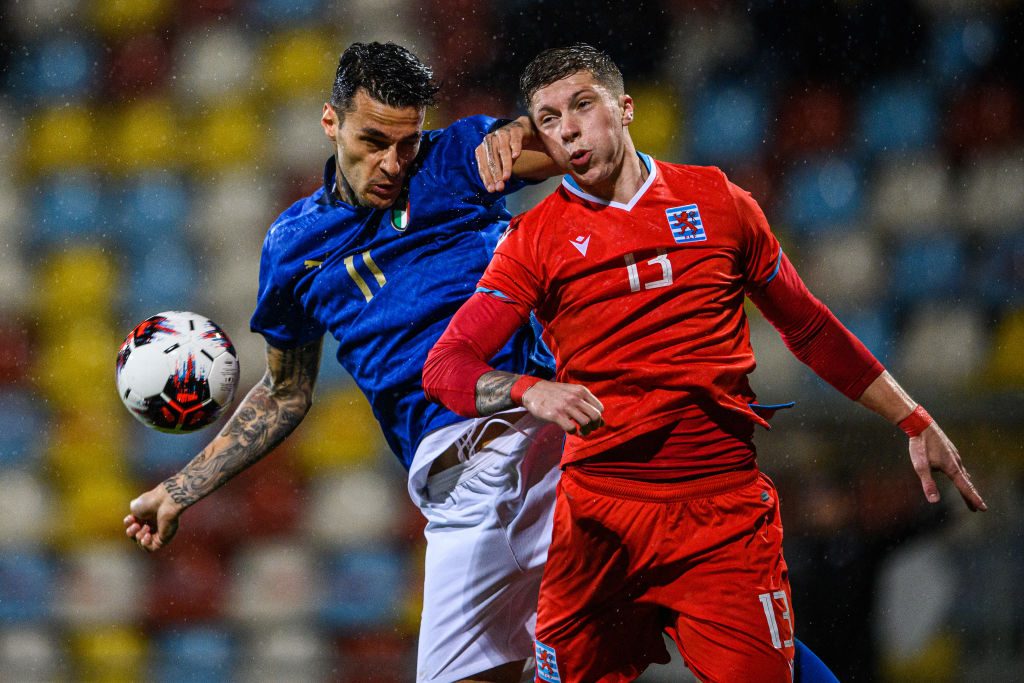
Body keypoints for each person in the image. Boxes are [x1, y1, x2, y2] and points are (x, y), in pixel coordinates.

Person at [423, 44, 987, 683]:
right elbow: (445, 366)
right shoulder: (533, 241)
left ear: (625, 108)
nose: (569, 130)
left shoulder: (718, 201)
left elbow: (808, 326)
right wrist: (530, 390)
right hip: (599, 521)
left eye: (582, 105)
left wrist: (912, 417)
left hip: (721, 516)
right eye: (549, 119)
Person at [124, 41, 567, 683]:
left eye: (406, 143)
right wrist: (179, 489)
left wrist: (527, 128)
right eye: (373, 141)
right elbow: (285, 393)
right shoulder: (292, 247)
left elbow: (586, 150)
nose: (392, 164)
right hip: (460, 487)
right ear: (330, 122)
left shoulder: (454, 159)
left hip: (527, 429)